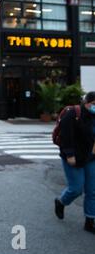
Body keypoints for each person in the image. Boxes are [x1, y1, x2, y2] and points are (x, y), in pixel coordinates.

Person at [54, 91, 95, 234]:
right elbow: (66, 136)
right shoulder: (73, 113)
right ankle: (61, 202)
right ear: (86, 103)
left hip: (91, 158)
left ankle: (90, 221)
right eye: (94, 104)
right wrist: (70, 155)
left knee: (92, 190)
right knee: (76, 188)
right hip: (73, 157)